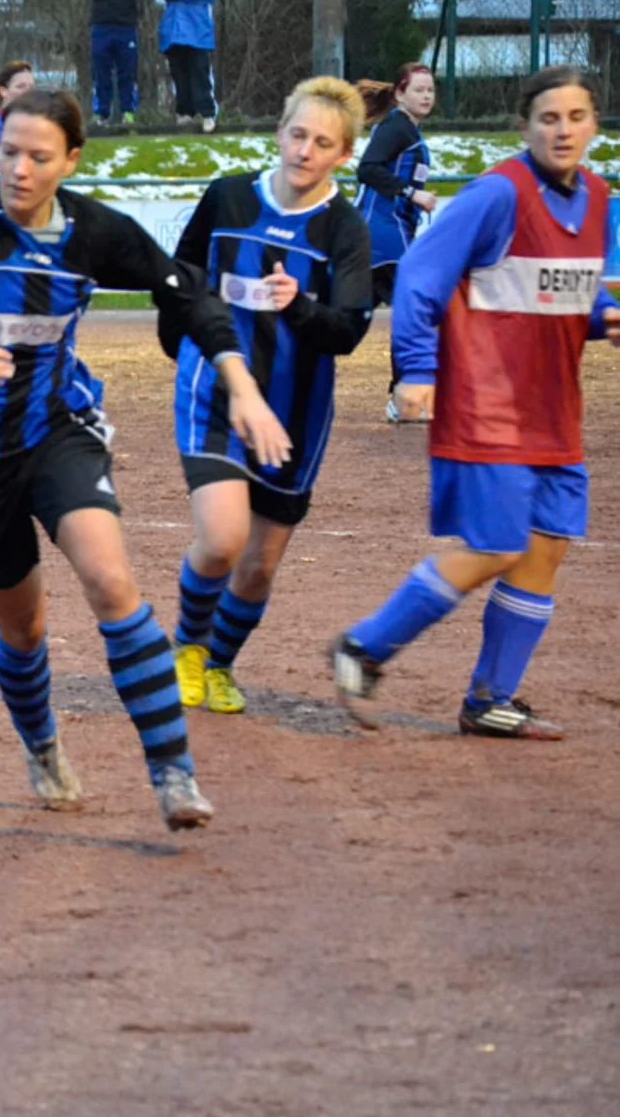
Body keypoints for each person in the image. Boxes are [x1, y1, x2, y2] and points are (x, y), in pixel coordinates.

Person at [0, 88, 291, 832]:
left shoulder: (93, 232)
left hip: (58, 428)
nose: (18, 170)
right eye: (7, 153)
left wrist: (240, 386)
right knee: (23, 630)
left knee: (110, 579)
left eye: (38, 157)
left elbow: (186, 293)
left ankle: (173, 773)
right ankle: (43, 742)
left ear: (72, 160)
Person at [331, 66, 619, 740]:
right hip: (485, 403)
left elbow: (571, 292)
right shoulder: (497, 194)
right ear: (523, 128)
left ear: (594, 125)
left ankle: (491, 698)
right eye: (548, 118)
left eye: (576, 116)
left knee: (546, 548)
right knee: (496, 545)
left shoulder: (599, 198)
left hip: (554, 409)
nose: (562, 129)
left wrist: (603, 314)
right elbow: (423, 277)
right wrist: (417, 369)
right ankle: (363, 648)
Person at [168, 77, 374, 716]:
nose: (305, 150)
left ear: (343, 155)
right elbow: (181, 275)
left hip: (297, 414)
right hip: (215, 395)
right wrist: (180, 348)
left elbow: (350, 329)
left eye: (323, 143)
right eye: (298, 134)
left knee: (257, 567)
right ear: (279, 132)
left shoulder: (344, 229)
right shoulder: (229, 198)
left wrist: (302, 308)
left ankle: (220, 666)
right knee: (223, 540)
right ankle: (186, 650)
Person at [354, 63, 439, 423]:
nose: (426, 96)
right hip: (384, 233)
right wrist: (411, 194)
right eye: (418, 89)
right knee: (415, 310)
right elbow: (368, 168)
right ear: (400, 94)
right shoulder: (396, 128)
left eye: (431, 90)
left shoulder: (406, 130)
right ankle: (405, 395)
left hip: (386, 232)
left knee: (345, 315)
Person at [157, 0, 220, 132]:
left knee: (200, 71)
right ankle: (184, 112)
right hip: (173, 27)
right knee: (179, 72)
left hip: (198, 27)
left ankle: (208, 113)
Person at [82, 0, 144, 128]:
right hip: (101, 24)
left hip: (126, 25)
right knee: (101, 72)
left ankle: (128, 113)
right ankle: (102, 114)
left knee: (128, 71)